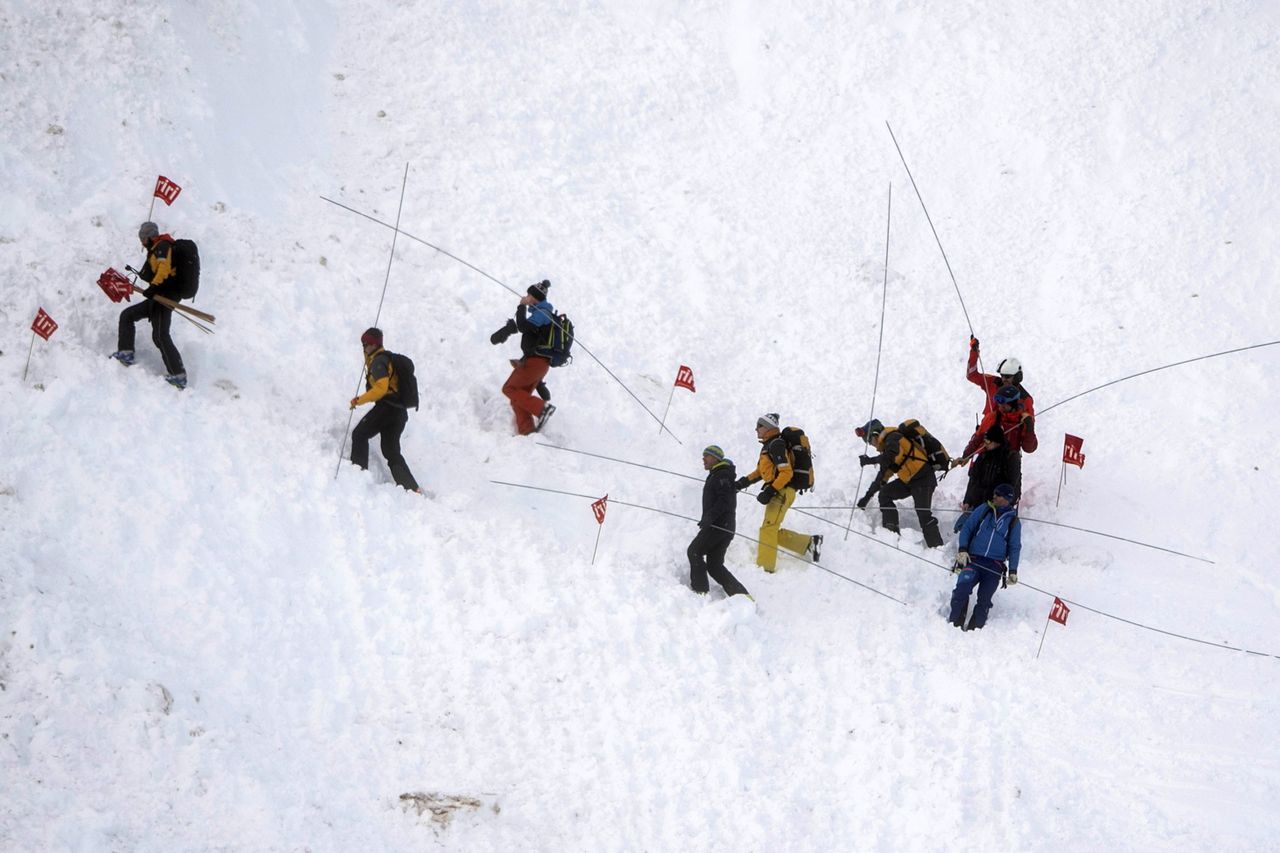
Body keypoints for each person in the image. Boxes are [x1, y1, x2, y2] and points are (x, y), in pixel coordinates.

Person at [111, 221, 195, 388]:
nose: (141, 242)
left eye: (142, 238)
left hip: (165, 295)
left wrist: (154, 287)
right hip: (158, 295)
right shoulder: (156, 248)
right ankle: (126, 352)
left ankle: (178, 375)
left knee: (160, 336)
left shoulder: (163, 246)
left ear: (148, 237)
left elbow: (164, 269)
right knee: (128, 315)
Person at [735, 413, 822, 573]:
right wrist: (741, 483)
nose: (756, 429)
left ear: (768, 427)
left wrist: (770, 491)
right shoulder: (769, 445)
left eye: (759, 426)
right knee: (771, 528)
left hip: (782, 491)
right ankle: (808, 543)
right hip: (780, 491)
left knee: (768, 529)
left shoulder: (776, 445)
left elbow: (786, 472)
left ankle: (765, 569)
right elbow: (761, 471)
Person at [348, 327, 421, 493]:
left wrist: (358, 400)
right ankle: (412, 488)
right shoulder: (384, 359)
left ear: (374, 345)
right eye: (363, 343)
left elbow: (381, 389)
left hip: (386, 409)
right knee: (390, 450)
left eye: (366, 344)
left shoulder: (379, 362)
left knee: (359, 434)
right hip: (400, 413)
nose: (363, 346)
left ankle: (357, 476)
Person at [856, 418, 944, 548]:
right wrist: (866, 498)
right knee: (884, 494)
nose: (870, 444)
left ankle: (937, 548)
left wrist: (870, 461)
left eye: (869, 440)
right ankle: (891, 535)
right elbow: (882, 477)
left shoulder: (893, 437)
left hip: (923, 478)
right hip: (908, 481)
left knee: (923, 514)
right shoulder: (886, 447)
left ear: (876, 434)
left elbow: (891, 456)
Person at [949, 483, 1022, 630]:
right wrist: (963, 548)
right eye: (994, 493)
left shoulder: (1014, 521)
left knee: (985, 599)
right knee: (962, 588)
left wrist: (1012, 571)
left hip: (995, 565)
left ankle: (975, 630)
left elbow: (1015, 547)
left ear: (1007, 499)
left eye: (998, 495)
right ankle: (954, 623)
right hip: (973, 560)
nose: (994, 496)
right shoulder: (984, 509)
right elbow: (968, 528)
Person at [490, 280, 557, 435]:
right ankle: (527, 432)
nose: (526, 296)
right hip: (536, 363)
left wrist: (521, 305)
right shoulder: (541, 313)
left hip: (536, 363)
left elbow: (523, 327)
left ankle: (542, 409)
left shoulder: (542, 313)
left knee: (509, 388)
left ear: (535, 297)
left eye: (529, 295)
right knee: (519, 396)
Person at [688, 445, 751, 598]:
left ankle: (700, 592)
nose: (703, 459)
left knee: (694, 551)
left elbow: (725, 501)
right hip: (725, 526)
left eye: (707, 456)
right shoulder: (720, 474)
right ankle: (742, 597)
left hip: (718, 526)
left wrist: (709, 517)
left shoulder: (722, 475)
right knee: (714, 566)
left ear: (716, 458)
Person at [959, 384, 1038, 502]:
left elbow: (1029, 448)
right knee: (979, 488)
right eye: (998, 402)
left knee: (1004, 499)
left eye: (1003, 403)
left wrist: (1029, 426)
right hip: (990, 460)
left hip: (1009, 463)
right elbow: (978, 438)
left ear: (1012, 403)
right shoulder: (993, 417)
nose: (1000, 406)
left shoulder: (1023, 420)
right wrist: (966, 455)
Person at [951, 423, 1011, 532]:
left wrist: (1001, 504)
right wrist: (967, 500)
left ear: (996, 442)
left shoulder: (1007, 458)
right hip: (976, 502)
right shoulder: (982, 456)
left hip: (992, 506)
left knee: (977, 531)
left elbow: (1010, 485)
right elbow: (973, 479)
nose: (985, 444)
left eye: (988, 442)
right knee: (959, 528)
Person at [967, 336, 1034, 417]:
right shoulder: (993, 382)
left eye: (1007, 376)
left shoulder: (1025, 398)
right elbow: (972, 375)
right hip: (986, 426)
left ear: (1017, 377)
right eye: (1002, 375)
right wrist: (974, 352)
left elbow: (1028, 426)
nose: (1004, 379)